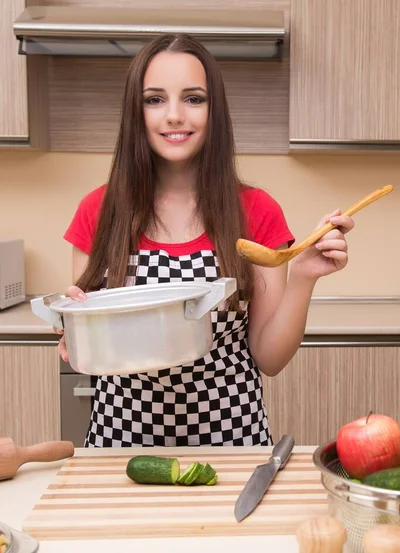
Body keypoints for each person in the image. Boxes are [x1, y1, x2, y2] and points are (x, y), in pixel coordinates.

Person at [58, 34, 355, 448]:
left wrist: (305, 275)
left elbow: (268, 358)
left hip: (233, 440)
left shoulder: (256, 212)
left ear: (214, 111)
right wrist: (78, 332)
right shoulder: (99, 210)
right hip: (120, 443)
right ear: (135, 111)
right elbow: (95, 350)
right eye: (155, 99)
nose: (175, 115)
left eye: (194, 99)